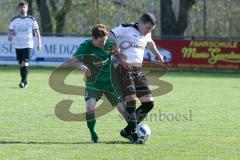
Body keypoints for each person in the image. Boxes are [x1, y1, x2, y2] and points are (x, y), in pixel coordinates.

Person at [109, 13, 164, 144]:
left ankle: (128, 130)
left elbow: (150, 42)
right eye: (147, 28)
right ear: (140, 23)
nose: (148, 31)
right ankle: (134, 135)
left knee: (149, 103)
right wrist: (121, 59)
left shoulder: (147, 33)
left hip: (137, 70)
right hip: (122, 67)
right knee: (131, 100)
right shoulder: (125, 28)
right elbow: (110, 36)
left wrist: (157, 54)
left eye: (151, 29)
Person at [72, 24, 126, 143]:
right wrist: (82, 67)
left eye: (105, 41)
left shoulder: (109, 43)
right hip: (93, 83)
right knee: (90, 108)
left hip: (110, 83)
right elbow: (73, 61)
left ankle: (133, 131)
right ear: (94, 38)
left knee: (123, 109)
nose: (103, 44)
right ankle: (94, 135)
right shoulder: (86, 46)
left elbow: (117, 52)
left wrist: (121, 59)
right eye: (101, 41)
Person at [8, 1, 41, 88]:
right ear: (18, 8)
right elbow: (10, 30)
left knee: (25, 63)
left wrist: (39, 43)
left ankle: (22, 81)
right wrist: (10, 36)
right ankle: (25, 82)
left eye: (24, 7)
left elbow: (37, 32)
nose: (22, 9)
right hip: (18, 45)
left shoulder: (31, 19)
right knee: (20, 64)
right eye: (21, 7)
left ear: (27, 8)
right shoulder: (15, 20)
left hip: (28, 44)